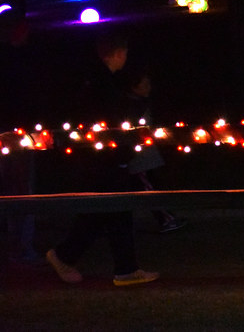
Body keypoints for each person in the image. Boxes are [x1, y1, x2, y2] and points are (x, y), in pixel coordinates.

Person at [45, 32, 160, 286]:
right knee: (104, 211)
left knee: (114, 211)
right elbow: (111, 120)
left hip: (101, 157)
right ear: (119, 53)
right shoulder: (103, 84)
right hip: (103, 158)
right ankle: (65, 255)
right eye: (125, 54)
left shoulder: (98, 80)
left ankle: (125, 269)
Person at [123, 66, 186, 233]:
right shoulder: (133, 107)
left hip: (145, 155)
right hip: (139, 157)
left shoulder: (141, 103)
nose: (148, 88)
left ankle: (167, 217)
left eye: (148, 84)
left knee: (151, 187)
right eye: (144, 85)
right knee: (149, 190)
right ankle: (166, 219)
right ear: (134, 87)